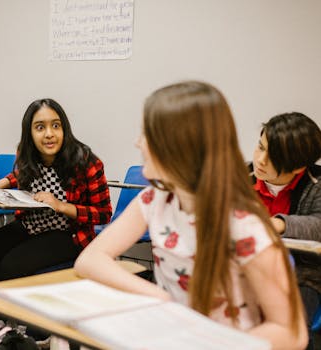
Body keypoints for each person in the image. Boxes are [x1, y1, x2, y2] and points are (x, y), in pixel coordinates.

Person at [74, 81, 308, 349]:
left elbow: (291, 334)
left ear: (179, 146)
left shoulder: (245, 228)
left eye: (147, 133)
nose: (137, 142)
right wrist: (159, 298)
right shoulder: (155, 200)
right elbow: (90, 259)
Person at [0, 98, 112, 283]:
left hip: (68, 235)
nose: (49, 134)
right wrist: (0, 183)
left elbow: (104, 214)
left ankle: (11, 311)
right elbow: (22, 173)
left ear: (64, 129)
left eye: (56, 126)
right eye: (40, 127)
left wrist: (61, 206)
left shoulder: (86, 162)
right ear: (30, 133)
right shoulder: (28, 154)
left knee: (9, 268)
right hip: (29, 226)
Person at [251, 112, 321, 349]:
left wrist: (278, 224)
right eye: (260, 147)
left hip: (302, 273)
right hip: (247, 266)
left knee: (292, 332)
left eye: (273, 157)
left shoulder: (316, 185)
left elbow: (318, 224)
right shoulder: (242, 176)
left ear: (299, 166)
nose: (260, 160)